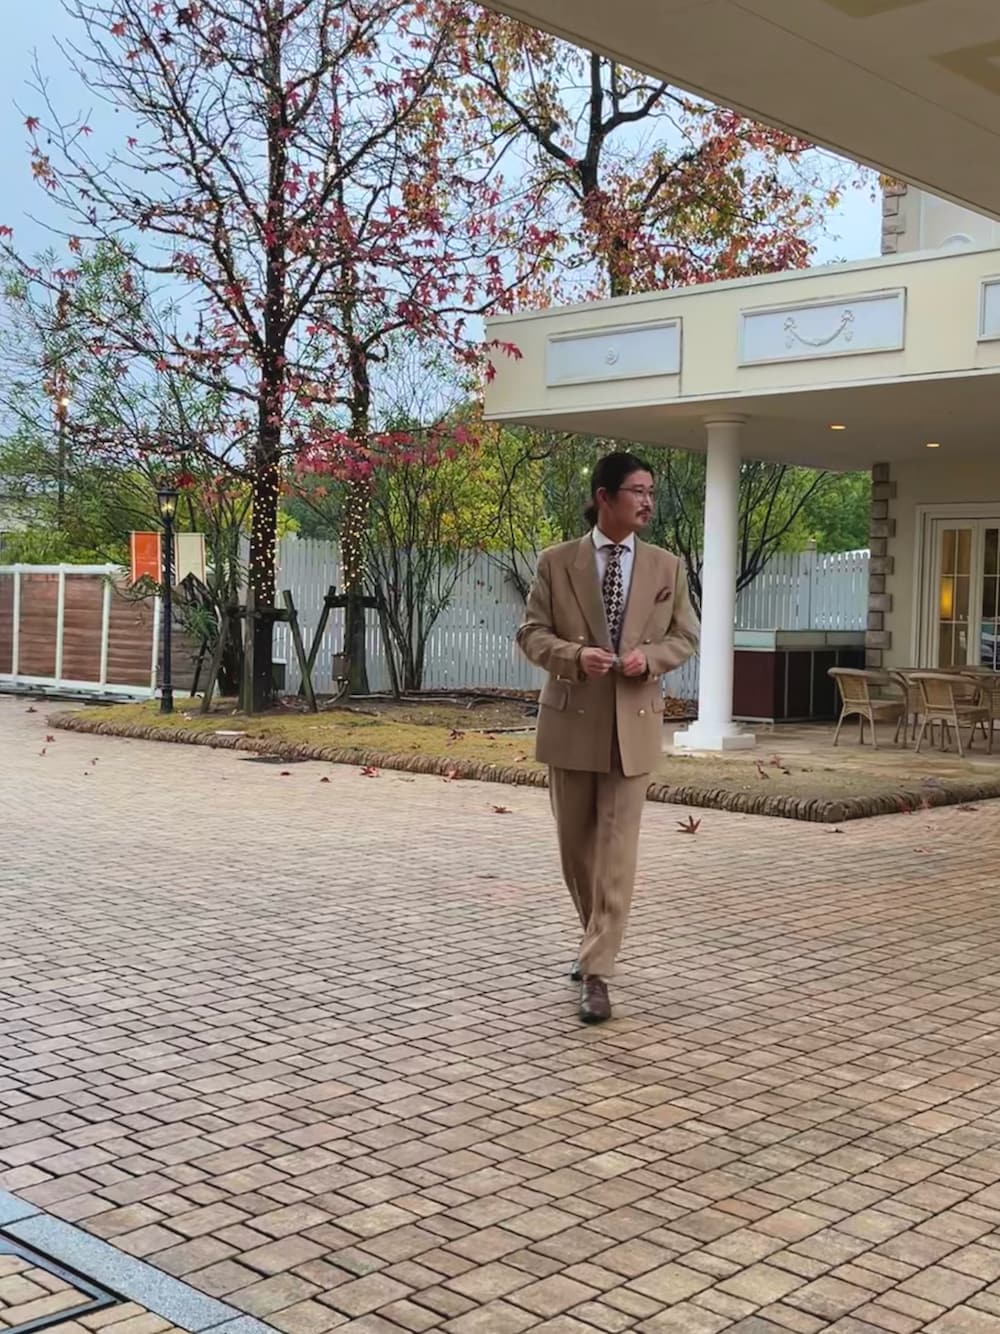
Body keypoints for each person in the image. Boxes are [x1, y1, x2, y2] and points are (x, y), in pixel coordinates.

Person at [516, 452, 699, 1024]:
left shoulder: (667, 567)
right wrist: (573, 656)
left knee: (616, 854)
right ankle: (593, 942)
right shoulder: (556, 563)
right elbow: (530, 633)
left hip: (634, 726)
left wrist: (652, 659)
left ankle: (597, 972)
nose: (648, 501)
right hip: (571, 722)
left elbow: (686, 636)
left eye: (651, 492)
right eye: (637, 491)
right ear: (604, 497)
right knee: (578, 853)